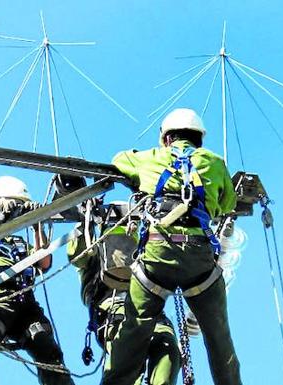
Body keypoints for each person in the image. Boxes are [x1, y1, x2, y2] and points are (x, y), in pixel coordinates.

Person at [104, 108, 241, 385]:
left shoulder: (150, 158)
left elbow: (118, 160)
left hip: (156, 257)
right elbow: (228, 204)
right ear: (199, 140)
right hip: (199, 260)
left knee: (134, 331)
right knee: (219, 337)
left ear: (166, 138)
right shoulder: (215, 162)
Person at [0, 176, 75, 385]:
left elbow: (44, 262)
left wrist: (37, 223)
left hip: (26, 308)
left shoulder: (20, 243)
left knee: (49, 352)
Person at [66, 201, 180, 385]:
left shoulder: (143, 253)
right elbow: (77, 254)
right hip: (114, 314)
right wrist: (84, 220)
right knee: (128, 363)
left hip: (150, 314)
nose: (121, 251)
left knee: (167, 347)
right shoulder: (92, 256)